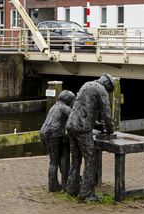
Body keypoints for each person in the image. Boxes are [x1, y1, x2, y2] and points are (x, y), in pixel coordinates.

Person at [64, 74, 115, 203]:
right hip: (82, 128)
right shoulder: (101, 90)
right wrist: (110, 129)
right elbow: (107, 113)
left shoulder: (86, 84)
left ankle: (71, 189)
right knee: (90, 158)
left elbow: (84, 108)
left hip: (71, 124)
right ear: (108, 85)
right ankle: (86, 194)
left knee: (75, 158)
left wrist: (96, 124)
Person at [40, 90, 75, 192]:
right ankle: (53, 185)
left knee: (53, 159)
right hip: (53, 134)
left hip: (44, 133)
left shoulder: (55, 106)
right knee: (54, 161)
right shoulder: (65, 108)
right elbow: (75, 119)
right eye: (72, 100)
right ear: (68, 100)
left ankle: (54, 183)